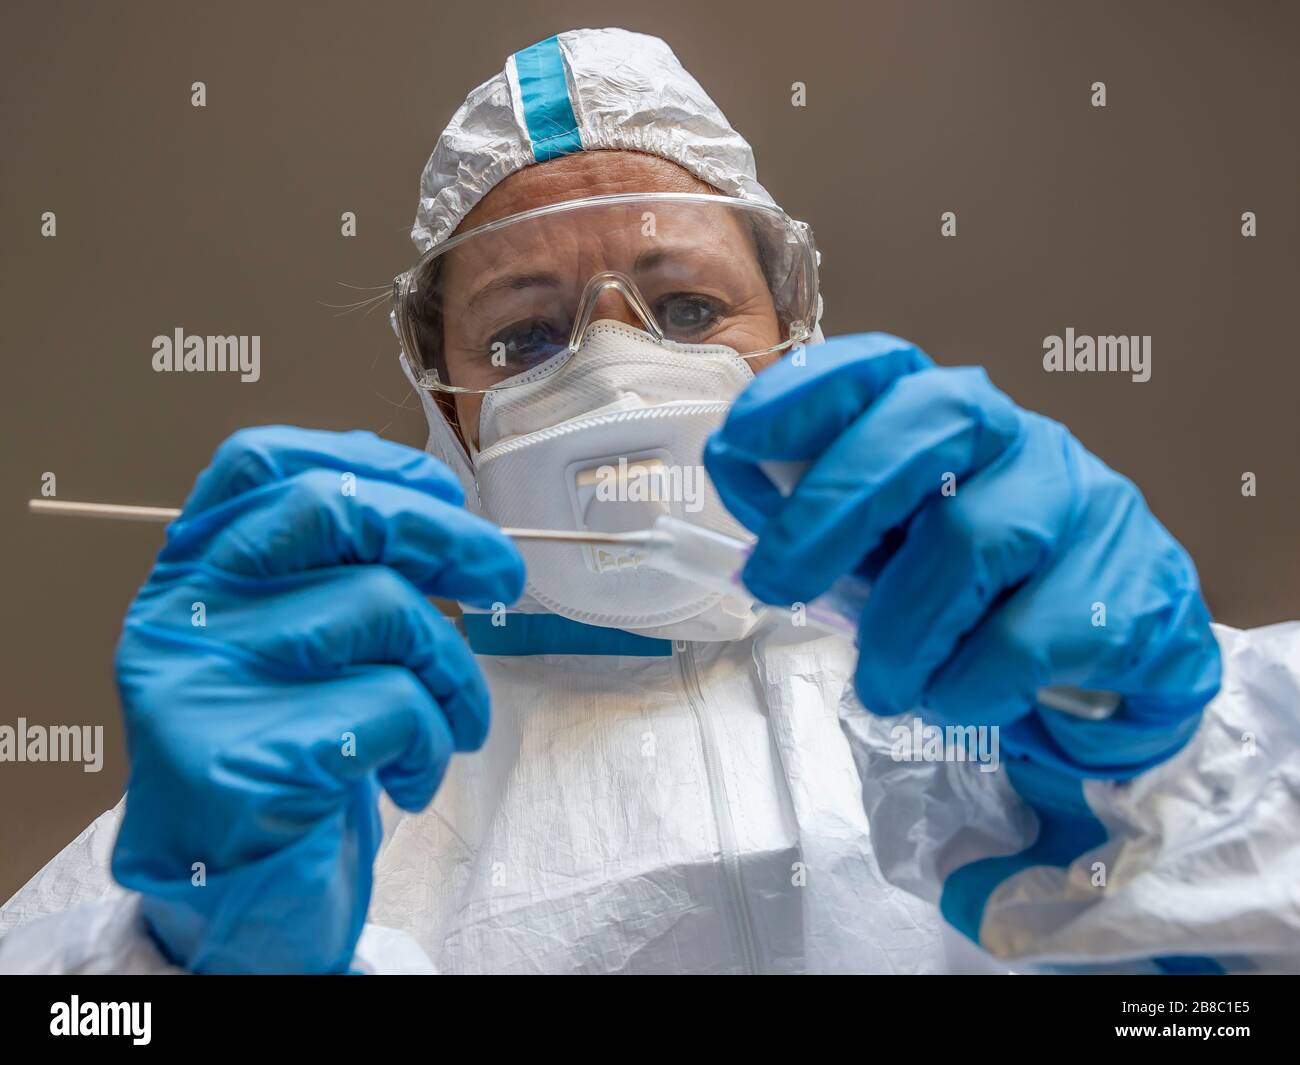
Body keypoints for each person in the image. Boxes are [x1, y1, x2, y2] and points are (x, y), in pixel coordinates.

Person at [2, 27, 1297, 975]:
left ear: (793, 341)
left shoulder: (1039, 698)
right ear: (444, 414)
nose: (617, 366)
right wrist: (173, 958)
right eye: (522, 340)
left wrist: (1163, 775)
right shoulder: (297, 791)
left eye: (686, 309)